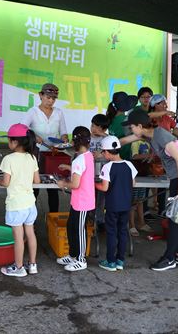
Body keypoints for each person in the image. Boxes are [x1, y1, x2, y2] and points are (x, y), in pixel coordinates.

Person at [120, 110, 178, 271]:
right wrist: (109, 146)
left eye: (132, 126)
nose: (131, 130)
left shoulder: (161, 136)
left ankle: (169, 258)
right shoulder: (147, 134)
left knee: (175, 220)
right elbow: (125, 140)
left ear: (140, 126)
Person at [0, 124, 40, 277]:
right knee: (30, 233)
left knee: (18, 238)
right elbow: (37, 180)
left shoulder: (9, 159)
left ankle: (19, 267)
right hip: (30, 203)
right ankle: (32, 264)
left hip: (16, 204)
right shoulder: (32, 157)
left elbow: (6, 182)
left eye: (9, 140)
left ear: (15, 142)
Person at [21, 83, 68, 213]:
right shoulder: (33, 112)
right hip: (35, 154)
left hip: (53, 155)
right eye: (48, 97)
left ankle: (53, 218)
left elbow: (63, 131)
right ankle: (31, 220)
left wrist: (64, 138)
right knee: (34, 187)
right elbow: (22, 128)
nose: (51, 101)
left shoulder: (58, 112)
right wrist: (34, 136)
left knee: (53, 188)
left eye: (53, 98)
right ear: (40, 95)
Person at [56, 126, 95, 271]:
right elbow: (82, 171)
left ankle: (81, 259)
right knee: (71, 226)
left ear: (74, 142)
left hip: (83, 202)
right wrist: (69, 167)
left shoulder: (79, 160)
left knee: (79, 230)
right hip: (78, 201)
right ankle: (72, 255)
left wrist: (63, 183)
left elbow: (75, 184)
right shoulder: (88, 155)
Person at [96, 135, 138, 271]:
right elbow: (133, 183)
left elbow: (104, 188)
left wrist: (93, 184)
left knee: (111, 233)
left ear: (107, 152)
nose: (103, 154)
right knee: (122, 232)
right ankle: (120, 260)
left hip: (113, 206)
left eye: (103, 152)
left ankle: (110, 261)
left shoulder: (107, 167)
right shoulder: (129, 164)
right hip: (126, 205)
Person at [90, 113, 109, 231]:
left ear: (104, 129)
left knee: (101, 199)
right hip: (90, 174)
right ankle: (90, 219)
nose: (93, 129)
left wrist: (103, 134)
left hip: (102, 174)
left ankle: (100, 220)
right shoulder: (88, 137)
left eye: (97, 127)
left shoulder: (106, 138)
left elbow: (114, 143)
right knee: (90, 197)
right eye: (92, 125)